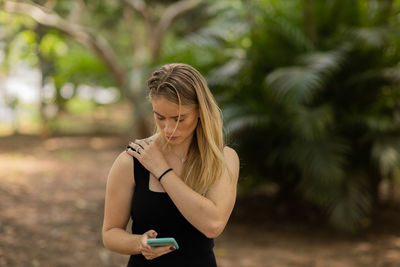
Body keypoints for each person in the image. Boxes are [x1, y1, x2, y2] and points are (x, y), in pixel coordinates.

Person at [102, 63, 240, 266]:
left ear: (200, 111)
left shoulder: (223, 158)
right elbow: (110, 233)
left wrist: (162, 170)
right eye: (160, 117)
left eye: (179, 118)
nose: (168, 128)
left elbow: (213, 225)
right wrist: (139, 243)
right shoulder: (132, 160)